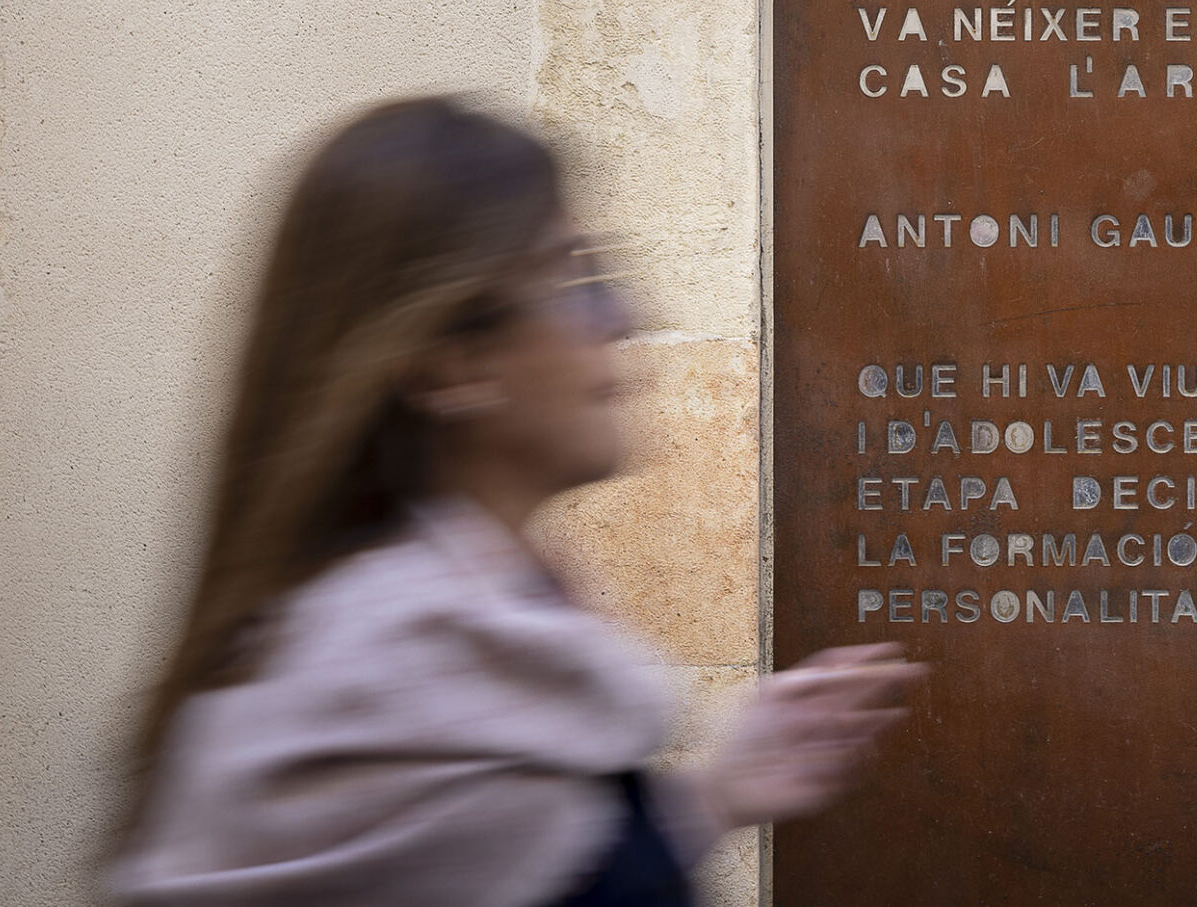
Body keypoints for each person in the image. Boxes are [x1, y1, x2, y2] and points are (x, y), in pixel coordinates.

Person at [107, 96, 920, 906]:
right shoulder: (381, 670)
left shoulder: (463, 656)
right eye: (576, 279)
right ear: (451, 361)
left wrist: (714, 793)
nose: (627, 318)